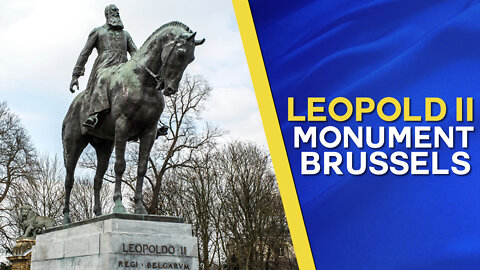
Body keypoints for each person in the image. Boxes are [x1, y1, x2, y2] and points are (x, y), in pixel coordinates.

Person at [69, 4, 137, 128]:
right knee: (103, 79)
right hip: (104, 66)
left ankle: (149, 120)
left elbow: (135, 53)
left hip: (123, 68)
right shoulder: (98, 32)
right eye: (114, 11)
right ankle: (94, 113)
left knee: (139, 84)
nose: (117, 13)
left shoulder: (125, 34)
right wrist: (76, 75)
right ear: (107, 14)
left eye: (118, 11)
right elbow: (85, 53)